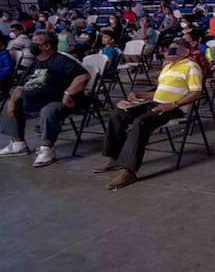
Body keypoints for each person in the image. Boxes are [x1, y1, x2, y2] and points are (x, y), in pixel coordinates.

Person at [93, 38, 203, 189]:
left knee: (141, 122)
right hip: (154, 103)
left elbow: (197, 92)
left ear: (185, 51)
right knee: (118, 113)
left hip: (173, 108)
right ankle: (114, 158)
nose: (169, 51)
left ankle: (128, 171)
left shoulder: (191, 66)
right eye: (169, 49)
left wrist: (173, 104)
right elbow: (159, 93)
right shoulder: (167, 67)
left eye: (174, 48)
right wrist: (139, 95)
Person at [0, 31, 90, 166]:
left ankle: (47, 149)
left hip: (58, 102)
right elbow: (20, 86)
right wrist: (12, 101)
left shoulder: (60, 60)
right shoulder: (35, 63)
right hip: (34, 103)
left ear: (47, 46)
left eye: (36, 41)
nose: (32, 44)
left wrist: (68, 93)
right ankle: (18, 144)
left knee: (49, 110)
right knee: (9, 104)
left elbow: (83, 76)